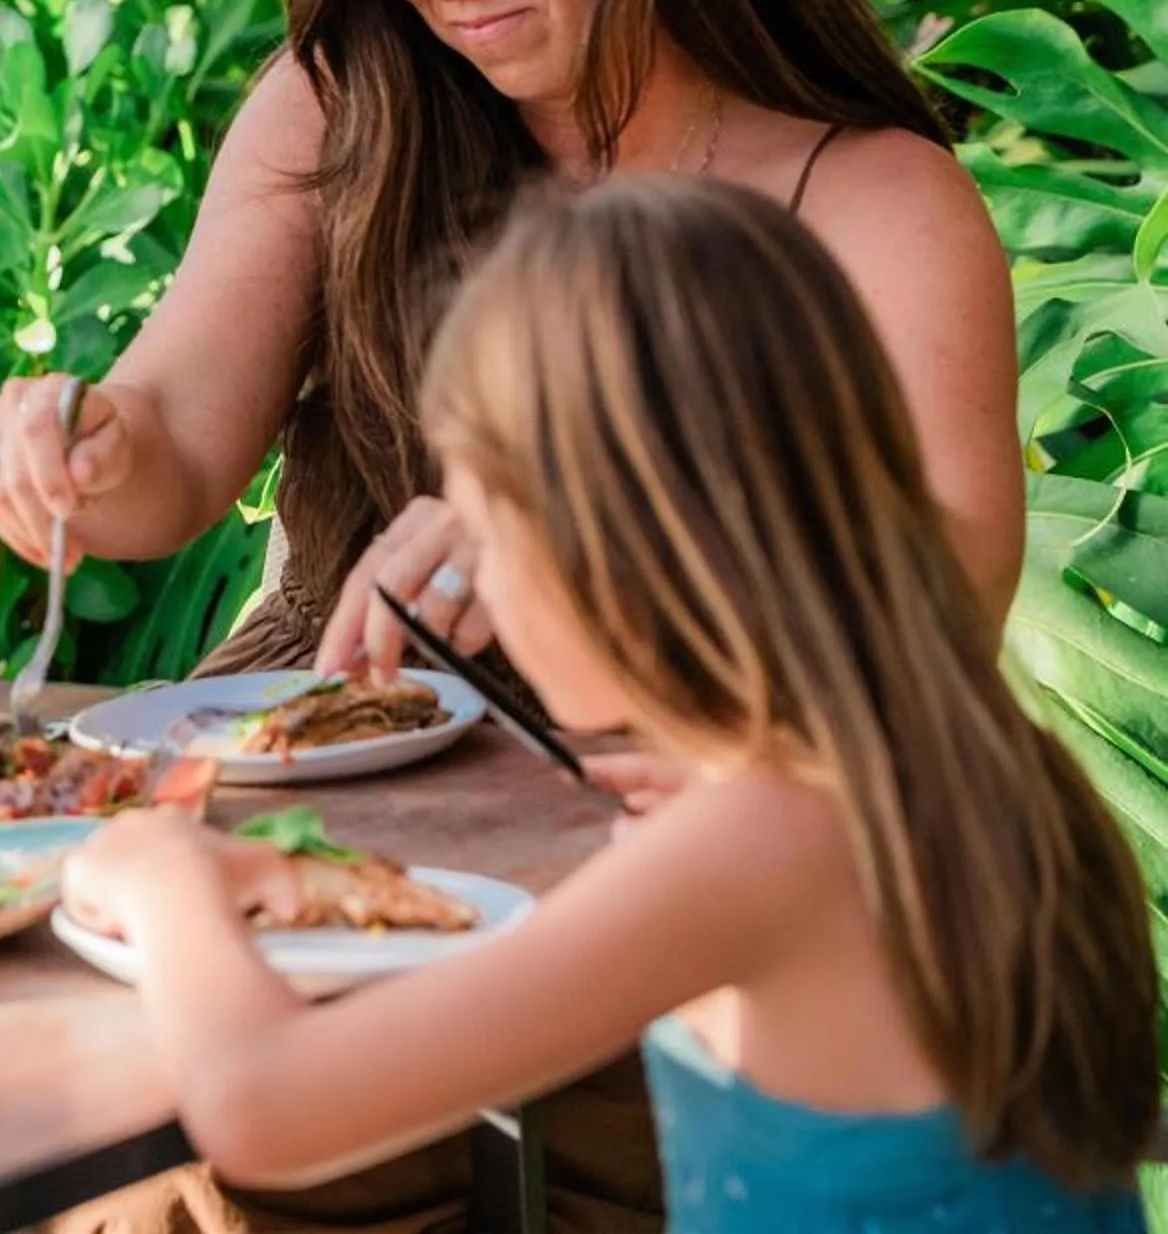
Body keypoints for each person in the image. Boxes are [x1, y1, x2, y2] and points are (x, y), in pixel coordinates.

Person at [0, 0, 1026, 1231]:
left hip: (662, 810)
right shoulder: (348, 103)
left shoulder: (869, 197)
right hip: (322, 773)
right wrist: (80, 450)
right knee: (140, 1141)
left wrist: (584, 525)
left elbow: (942, 600)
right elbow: (168, 451)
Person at [61, 177, 1154, 1232]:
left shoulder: (756, 843)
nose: (474, 584)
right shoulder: (949, 761)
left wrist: (163, 879)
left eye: (485, 537)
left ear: (612, 549)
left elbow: (267, 1110)